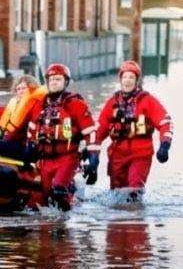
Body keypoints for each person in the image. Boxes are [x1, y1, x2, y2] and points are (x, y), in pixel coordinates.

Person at [85, 60, 173, 200]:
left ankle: (136, 219)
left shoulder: (147, 101)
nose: (127, 81)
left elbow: (165, 122)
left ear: (137, 80)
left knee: (133, 191)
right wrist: (93, 158)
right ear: (120, 79)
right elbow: (98, 131)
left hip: (140, 153)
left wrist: (165, 145)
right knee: (116, 196)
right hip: (117, 156)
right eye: (125, 77)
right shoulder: (112, 103)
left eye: (131, 77)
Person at [25, 63, 95, 211]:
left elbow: (90, 132)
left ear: (66, 82)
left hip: (67, 157)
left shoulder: (75, 104)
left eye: (57, 79)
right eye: (51, 80)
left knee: (58, 190)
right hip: (45, 159)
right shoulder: (40, 105)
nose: (54, 82)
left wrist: (93, 157)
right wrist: (30, 146)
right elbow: (31, 130)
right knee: (45, 198)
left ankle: (64, 225)